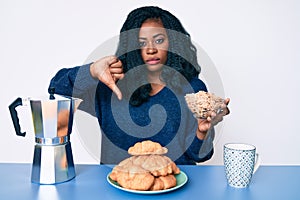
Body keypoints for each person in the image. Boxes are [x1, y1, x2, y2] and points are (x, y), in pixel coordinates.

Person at [48, 6, 230, 165]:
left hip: (175, 187)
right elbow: (57, 90)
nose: (151, 49)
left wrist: (201, 132)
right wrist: (92, 71)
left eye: (159, 40)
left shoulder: (191, 88)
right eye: (141, 43)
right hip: (117, 188)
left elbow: (199, 156)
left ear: (173, 44)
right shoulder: (110, 86)